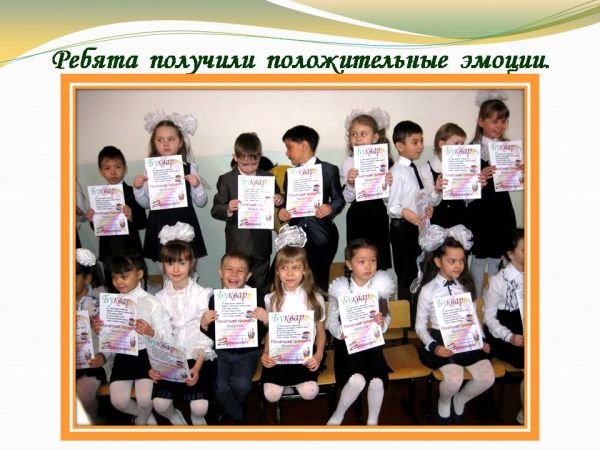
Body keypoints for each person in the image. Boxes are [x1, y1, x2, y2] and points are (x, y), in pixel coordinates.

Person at [414, 225, 494, 424]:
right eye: (452, 261)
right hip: (441, 339)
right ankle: (444, 403)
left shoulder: (466, 286)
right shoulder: (428, 290)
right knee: (454, 379)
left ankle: (460, 400)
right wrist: (434, 346)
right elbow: (420, 327)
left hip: (467, 338)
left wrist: (481, 339)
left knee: (487, 377)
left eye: (461, 260)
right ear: (438, 261)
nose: (458, 265)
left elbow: (474, 318)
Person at [93, 251, 172, 425]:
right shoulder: (112, 303)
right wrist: (101, 332)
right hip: (123, 356)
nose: (118, 282)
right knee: (118, 401)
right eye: (114, 277)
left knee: (145, 398)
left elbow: (166, 338)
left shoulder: (153, 302)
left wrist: (151, 332)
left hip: (147, 355)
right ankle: (145, 417)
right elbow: (112, 340)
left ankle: (141, 423)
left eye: (124, 276)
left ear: (140, 274)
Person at [149, 222, 216, 426]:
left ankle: (197, 419)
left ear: (191, 264)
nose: (176, 269)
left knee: (199, 407)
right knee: (160, 404)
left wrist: (197, 366)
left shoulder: (202, 294)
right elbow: (160, 335)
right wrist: (157, 365)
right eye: (170, 263)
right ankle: (175, 418)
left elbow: (205, 333)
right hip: (171, 359)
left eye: (181, 263)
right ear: (163, 265)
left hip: (197, 356)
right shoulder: (159, 298)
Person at [326, 239, 395, 426]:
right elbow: (330, 322)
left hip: (372, 345)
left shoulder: (380, 287)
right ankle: (338, 415)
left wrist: (382, 323)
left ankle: (372, 422)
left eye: (373, 260)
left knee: (377, 381)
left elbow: (387, 318)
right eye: (362, 261)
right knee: (356, 380)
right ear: (349, 264)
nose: (368, 266)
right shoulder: (341, 289)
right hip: (347, 346)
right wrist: (340, 332)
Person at [260, 225, 326, 404]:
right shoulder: (271, 299)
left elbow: (320, 331)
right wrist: (266, 353)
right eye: (284, 268)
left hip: (305, 354)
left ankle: (291, 382)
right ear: (277, 271)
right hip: (279, 353)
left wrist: (319, 355)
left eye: (296, 268)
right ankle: (286, 383)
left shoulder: (315, 298)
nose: (290, 273)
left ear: (304, 270)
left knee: (310, 393)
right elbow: (271, 332)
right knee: (271, 395)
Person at [200, 251, 268, 424]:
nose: (234, 274)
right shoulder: (215, 299)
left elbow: (261, 333)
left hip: (248, 353)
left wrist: (266, 320)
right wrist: (205, 325)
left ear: (248, 276)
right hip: (222, 353)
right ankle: (238, 415)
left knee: (242, 386)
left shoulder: (257, 298)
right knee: (220, 387)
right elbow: (213, 334)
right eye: (229, 269)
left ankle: (228, 409)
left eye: (240, 270)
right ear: (220, 272)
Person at [211, 133, 283, 293]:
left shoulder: (268, 177)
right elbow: (215, 210)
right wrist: (228, 208)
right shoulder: (226, 180)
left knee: (261, 284)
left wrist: (279, 199)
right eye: (245, 164)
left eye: (254, 164)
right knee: (235, 284)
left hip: (261, 243)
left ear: (260, 157)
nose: (250, 168)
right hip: (237, 243)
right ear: (235, 158)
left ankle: (260, 308)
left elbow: (279, 198)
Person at [277, 125, 345, 292]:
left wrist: (329, 208)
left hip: (322, 235)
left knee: (319, 282)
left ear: (304, 146)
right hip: (296, 236)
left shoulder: (328, 170)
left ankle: (319, 307)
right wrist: (282, 212)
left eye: (289, 147)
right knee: (294, 280)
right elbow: (288, 204)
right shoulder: (290, 174)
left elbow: (339, 200)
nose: (287, 153)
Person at [133, 111, 208, 262]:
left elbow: (201, 202)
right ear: (154, 143)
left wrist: (197, 186)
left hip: (184, 221)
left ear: (180, 142)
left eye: (171, 139)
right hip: (158, 222)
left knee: (186, 263)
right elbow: (146, 204)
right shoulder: (150, 169)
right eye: (160, 140)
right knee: (163, 264)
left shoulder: (189, 168)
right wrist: (138, 189)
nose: (166, 144)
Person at [466, 95, 518, 297]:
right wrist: (479, 176)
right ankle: (476, 301)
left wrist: (518, 172)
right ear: (481, 121)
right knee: (479, 259)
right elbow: (462, 187)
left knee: (497, 258)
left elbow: (514, 181)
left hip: (501, 209)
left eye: (503, 121)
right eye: (494, 121)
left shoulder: (509, 148)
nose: (500, 126)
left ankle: (494, 303)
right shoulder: (469, 150)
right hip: (479, 211)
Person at [388, 120, 442, 303]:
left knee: (417, 272)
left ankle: (415, 312)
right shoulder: (397, 172)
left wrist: (432, 199)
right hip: (402, 229)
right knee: (406, 274)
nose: (420, 146)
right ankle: (406, 315)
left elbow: (422, 197)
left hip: (416, 228)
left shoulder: (415, 169)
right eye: (415, 142)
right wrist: (404, 212)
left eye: (421, 141)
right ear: (399, 146)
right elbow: (392, 207)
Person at [340, 109, 393, 270]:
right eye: (354, 134)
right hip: (357, 215)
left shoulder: (385, 161)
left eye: (363, 134)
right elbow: (347, 198)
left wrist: (388, 185)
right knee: (358, 257)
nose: (358, 138)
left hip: (378, 214)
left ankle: (380, 284)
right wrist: (351, 184)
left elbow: (388, 199)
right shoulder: (348, 162)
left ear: (375, 138)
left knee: (378, 256)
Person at [484, 228, 525, 424]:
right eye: (524, 250)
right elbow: (489, 318)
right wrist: (509, 336)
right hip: (501, 332)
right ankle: (524, 418)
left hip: (523, 325)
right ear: (511, 254)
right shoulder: (498, 281)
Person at [86, 146, 147, 269]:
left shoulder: (133, 192)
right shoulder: (98, 196)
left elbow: (143, 223)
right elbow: (97, 228)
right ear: (101, 171)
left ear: (125, 168)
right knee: (111, 280)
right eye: (107, 168)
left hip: (131, 251)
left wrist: (132, 216)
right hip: (108, 251)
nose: (113, 172)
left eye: (118, 167)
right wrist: (92, 220)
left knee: (133, 278)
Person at [75, 248, 110, 424]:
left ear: (87, 278)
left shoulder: (102, 299)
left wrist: (103, 356)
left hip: (95, 363)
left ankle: (92, 424)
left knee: (81, 395)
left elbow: (116, 337)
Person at [425, 123, 469, 228]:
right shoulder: (426, 169)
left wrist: (475, 185)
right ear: (442, 144)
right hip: (437, 226)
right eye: (456, 143)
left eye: (462, 144)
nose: (460, 148)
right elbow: (429, 202)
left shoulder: (465, 166)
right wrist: (437, 190)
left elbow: (467, 200)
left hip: (459, 224)